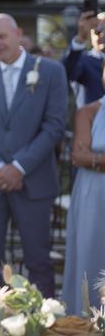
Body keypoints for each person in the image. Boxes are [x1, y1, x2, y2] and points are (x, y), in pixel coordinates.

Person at [0, 13, 67, 297]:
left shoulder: (51, 71)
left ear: (18, 34)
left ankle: (45, 330)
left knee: (39, 262)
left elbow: (55, 126)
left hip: (34, 181)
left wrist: (19, 167)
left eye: (1, 36)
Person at [62, 66, 105, 315]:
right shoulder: (88, 111)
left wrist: (96, 158)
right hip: (93, 195)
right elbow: (79, 156)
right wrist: (91, 159)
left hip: (94, 180)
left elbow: (89, 155)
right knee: (91, 258)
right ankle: (87, 331)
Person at [63, 10, 104, 105]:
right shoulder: (83, 61)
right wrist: (80, 39)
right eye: (97, 31)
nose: (102, 34)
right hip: (91, 118)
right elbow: (65, 73)